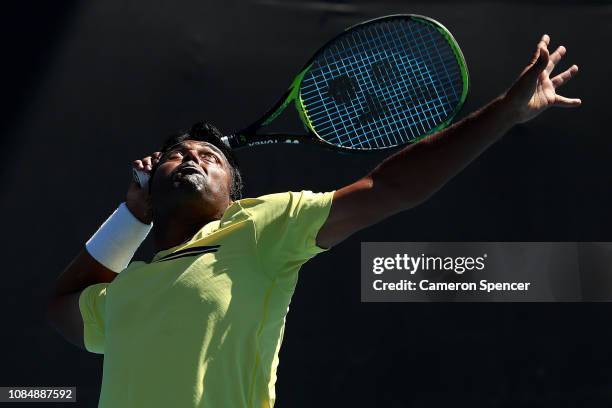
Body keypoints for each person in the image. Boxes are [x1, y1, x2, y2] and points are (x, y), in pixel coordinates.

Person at [47, 35, 580, 407]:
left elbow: (390, 189)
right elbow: (62, 306)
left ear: (233, 195)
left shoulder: (259, 228)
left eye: (209, 157)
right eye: (176, 154)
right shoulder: (126, 292)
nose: (191, 157)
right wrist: (130, 216)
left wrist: (505, 112)